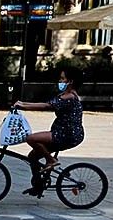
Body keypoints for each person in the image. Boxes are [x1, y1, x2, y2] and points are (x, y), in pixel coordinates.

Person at [13, 67, 84, 197]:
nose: (60, 81)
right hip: (62, 132)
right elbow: (47, 103)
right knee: (32, 157)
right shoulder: (66, 95)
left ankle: (51, 160)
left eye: (63, 78)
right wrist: (23, 103)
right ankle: (38, 186)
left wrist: (23, 106)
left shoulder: (69, 97)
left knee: (31, 138)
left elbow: (47, 106)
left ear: (71, 81)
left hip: (67, 135)